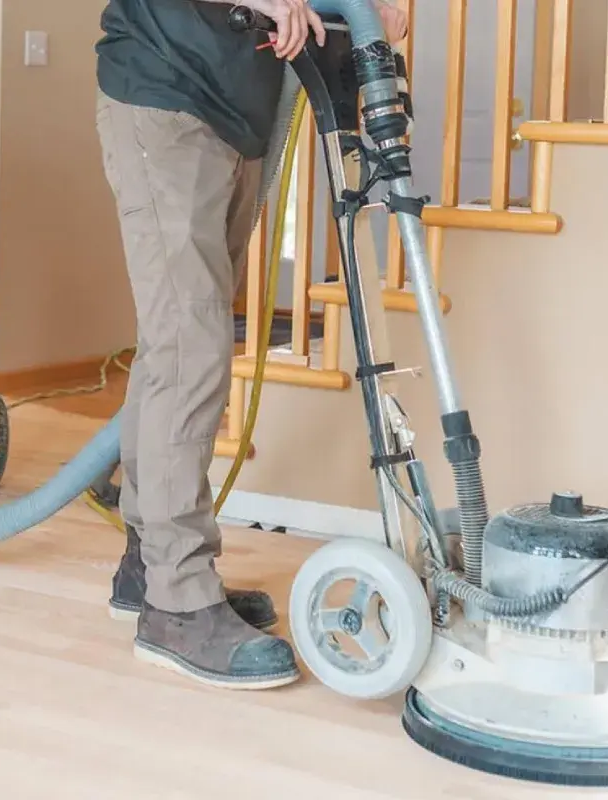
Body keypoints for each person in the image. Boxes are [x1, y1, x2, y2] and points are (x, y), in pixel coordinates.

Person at [95, 0, 408, 690]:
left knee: (176, 344)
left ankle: (149, 566)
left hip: (233, 112)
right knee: (191, 345)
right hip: (166, 94)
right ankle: (177, 603)